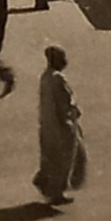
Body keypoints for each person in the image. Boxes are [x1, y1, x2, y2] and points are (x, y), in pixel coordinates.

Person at [33, 45, 87, 206]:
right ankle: (56, 192)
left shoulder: (45, 76)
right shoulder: (58, 79)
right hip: (61, 124)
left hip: (47, 124)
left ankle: (45, 181)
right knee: (64, 159)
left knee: (50, 156)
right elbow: (65, 102)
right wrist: (73, 113)